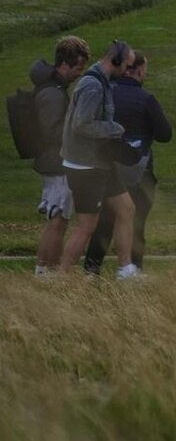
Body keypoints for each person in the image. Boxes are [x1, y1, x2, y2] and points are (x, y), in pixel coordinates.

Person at [83, 51, 173, 274]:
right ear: (139, 70)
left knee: (104, 223)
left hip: (105, 167)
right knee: (136, 222)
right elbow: (165, 134)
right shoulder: (146, 99)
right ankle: (132, 270)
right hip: (139, 170)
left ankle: (91, 270)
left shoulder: (106, 93)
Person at [59, 40, 142, 279]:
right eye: (126, 66)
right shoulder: (93, 85)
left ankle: (125, 271)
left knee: (126, 209)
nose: (128, 71)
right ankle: (62, 278)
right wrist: (115, 129)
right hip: (85, 166)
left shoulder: (103, 81)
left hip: (101, 161)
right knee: (87, 226)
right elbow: (82, 124)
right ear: (115, 61)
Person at [29, 35, 91, 275]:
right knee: (58, 220)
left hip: (53, 162)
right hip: (58, 164)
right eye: (78, 68)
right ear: (64, 64)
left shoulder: (53, 89)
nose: (79, 73)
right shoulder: (53, 94)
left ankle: (44, 271)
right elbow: (53, 132)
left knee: (58, 219)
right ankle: (47, 271)